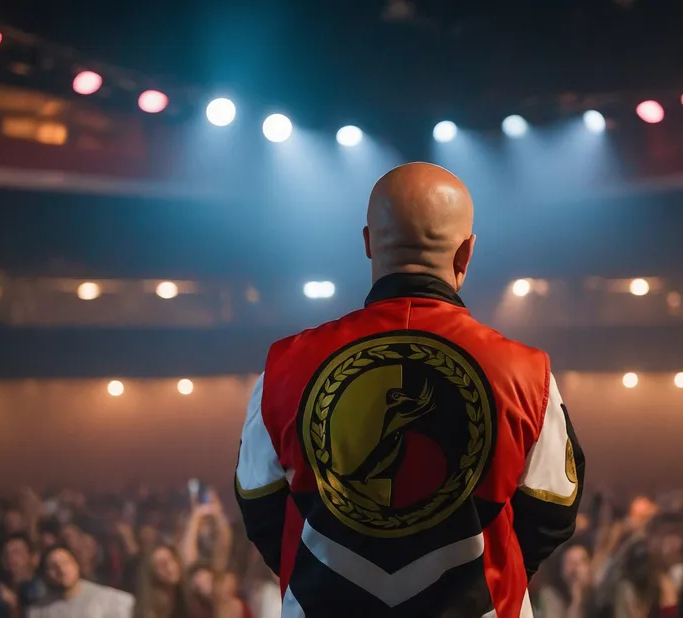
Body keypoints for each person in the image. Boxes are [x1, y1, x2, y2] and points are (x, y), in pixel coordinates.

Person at [235, 162, 586, 617]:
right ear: (466, 254)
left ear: (368, 243)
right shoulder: (527, 374)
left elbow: (261, 509)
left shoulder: (284, 368)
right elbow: (551, 513)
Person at [27, 545, 133, 618]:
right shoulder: (39, 612)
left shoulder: (111, 600)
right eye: (53, 567)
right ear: (46, 575)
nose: (61, 570)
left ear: (76, 565)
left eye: (66, 562)